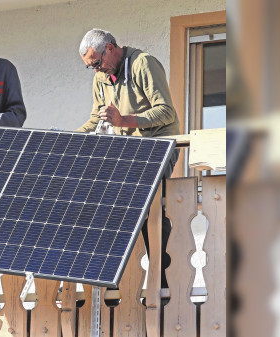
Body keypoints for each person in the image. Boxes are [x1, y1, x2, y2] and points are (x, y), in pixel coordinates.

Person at [77, 28, 181, 287]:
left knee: (146, 205)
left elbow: (166, 112)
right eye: (91, 67)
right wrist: (70, 138)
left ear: (111, 48)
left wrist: (124, 120)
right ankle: (115, 273)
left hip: (157, 145)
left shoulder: (142, 64)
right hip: (128, 151)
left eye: (98, 63)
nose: (97, 70)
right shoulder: (101, 78)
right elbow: (95, 118)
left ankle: (159, 271)